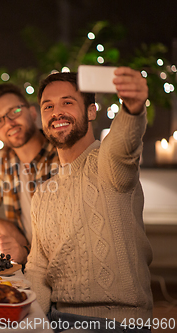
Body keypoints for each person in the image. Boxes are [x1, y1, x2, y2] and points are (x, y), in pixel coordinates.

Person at [25, 68, 153, 332]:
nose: (56, 112)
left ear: (92, 111)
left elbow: (124, 143)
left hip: (115, 322)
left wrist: (133, 108)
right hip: (55, 319)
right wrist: (33, 323)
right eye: (48, 106)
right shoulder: (42, 193)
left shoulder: (109, 163)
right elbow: (38, 269)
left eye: (67, 103)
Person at [0, 83, 59, 264]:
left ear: (33, 113)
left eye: (14, 111)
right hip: (25, 269)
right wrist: (8, 229)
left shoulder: (60, 154)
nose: (9, 123)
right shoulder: (5, 160)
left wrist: (25, 252)